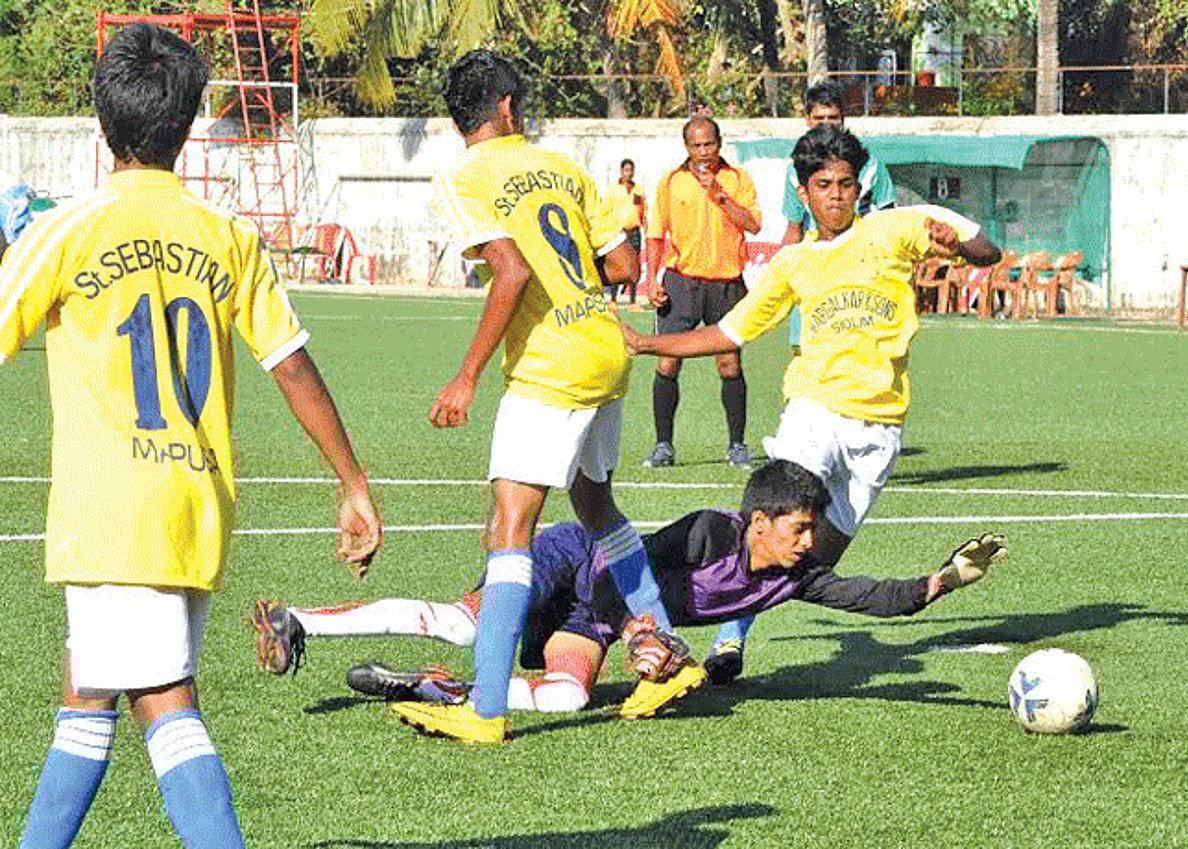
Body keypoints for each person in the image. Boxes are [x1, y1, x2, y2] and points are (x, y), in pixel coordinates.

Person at [4, 24, 383, 849]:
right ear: (190, 121)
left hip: (110, 512)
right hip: (195, 502)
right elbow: (290, 363)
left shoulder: (68, 230)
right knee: (89, 687)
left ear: (101, 120)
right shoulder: (229, 236)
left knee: (165, 700)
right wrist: (351, 481)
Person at [393, 49, 699, 745]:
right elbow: (622, 264)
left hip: (550, 366)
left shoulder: (465, 177)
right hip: (605, 343)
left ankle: (488, 705)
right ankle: (667, 653)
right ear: (507, 108)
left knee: (510, 525)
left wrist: (467, 374)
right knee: (595, 504)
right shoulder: (560, 166)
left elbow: (510, 270)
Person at [623, 125, 1001, 686]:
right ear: (804, 192)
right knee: (775, 529)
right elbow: (730, 332)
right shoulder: (793, 263)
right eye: (823, 185)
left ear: (859, 187)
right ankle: (730, 637)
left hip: (881, 428)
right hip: (814, 413)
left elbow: (988, 252)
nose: (836, 195)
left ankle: (737, 622)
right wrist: (648, 343)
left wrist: (956, 241)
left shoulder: (894, 229)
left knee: (813, 562)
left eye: (846, 184)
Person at [252, 461, 1007, 718]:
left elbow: (876, 597)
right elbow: (622, 563)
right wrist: (645, 635)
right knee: (460, 620)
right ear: (761, 520)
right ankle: (301, 620)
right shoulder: (711, 531)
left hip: (596, 615)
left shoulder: (793, 576)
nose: (811, 543)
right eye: (801, 527)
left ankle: (434, 691)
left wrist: (946, 580)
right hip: (575, 561)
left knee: (571, 698)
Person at [643, 116, 763, 471]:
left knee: (729, 364)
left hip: (726, 285)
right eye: (696, 146)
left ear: (719, 143)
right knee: (667, 361)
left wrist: (719, 195)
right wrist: (652, 280)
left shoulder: (737, 179)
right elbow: (655, 234)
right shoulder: (670, 181)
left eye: (709, 144)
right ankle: (664, 445)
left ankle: (737, 445)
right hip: (682, 283)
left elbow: (753, 223)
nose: (703, 152)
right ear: (686, 148)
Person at [782, 81, 896, 354]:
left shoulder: (870, 166)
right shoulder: (795, 169)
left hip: (860, 267)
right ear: (808, 121)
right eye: (819, 118)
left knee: (859, 352)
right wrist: (786, 273)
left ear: (843, 119)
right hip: (815, 266)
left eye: (832, 118)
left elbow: (889, 222)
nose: (826, 125)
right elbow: (794, 228)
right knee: (803, 352)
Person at [599, 158, 646, 304]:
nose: (629, 173)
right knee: (617, 265)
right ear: (621, 172)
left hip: (634, 231)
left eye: (631, 170)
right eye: (626, 170)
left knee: (634, 266)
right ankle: (613, 299)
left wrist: (646, 229)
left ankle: (633, 301)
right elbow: (604, 211)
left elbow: (643, 211)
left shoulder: (638, 190)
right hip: (618, 233)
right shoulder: (612, 190)